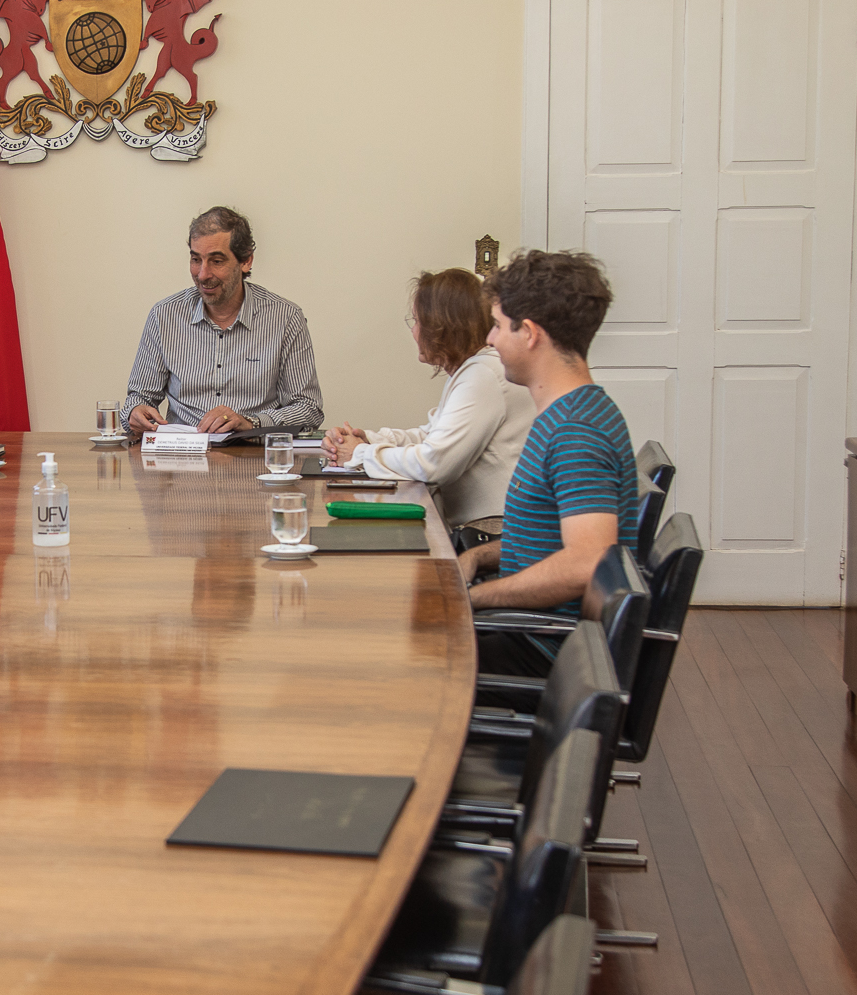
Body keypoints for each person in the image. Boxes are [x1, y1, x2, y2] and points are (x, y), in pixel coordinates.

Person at [456, 251, 639, 675]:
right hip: (527, 631)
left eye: (499, 326)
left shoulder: (577, 432)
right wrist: (477, 561)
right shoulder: (567, 413)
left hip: (542, 650)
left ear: (530, 334)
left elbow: (587, 561)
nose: (490, 339)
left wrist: (473, 597)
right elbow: (547, 540)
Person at [323, 268, 535, 532]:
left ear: (441, 326)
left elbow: (435, 463)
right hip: (483, 528)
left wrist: (359, 453)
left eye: (417, 320)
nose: (414, 332)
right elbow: (432, 435)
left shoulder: (482, 375)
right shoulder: (476, 370)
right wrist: (370, 439)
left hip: (495, 534)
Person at [121, 206, 323, 434]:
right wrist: (134, 412)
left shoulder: (285, 318)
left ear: (246, 261)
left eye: (216, 261)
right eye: (196, 259)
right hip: (183, 457)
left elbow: (308, 409)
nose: (203, 274)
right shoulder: (164, 315)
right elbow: (139, 397)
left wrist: (250, 422)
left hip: (254, 456)